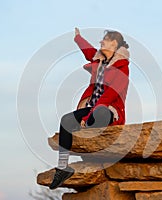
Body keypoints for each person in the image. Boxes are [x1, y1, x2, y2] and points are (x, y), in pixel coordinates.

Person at [49, 27, 130, 189]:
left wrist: (86, 119)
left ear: (114, 44)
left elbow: (109, 95)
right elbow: (89, 52)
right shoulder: (99, 61)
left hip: (109, 110)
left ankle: (93, 145)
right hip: (92, 107)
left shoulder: (122, 68)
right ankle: (63, 167)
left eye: (105, 40)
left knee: (100, 112)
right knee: (66, 120)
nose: (101, 42)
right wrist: (78, 38)